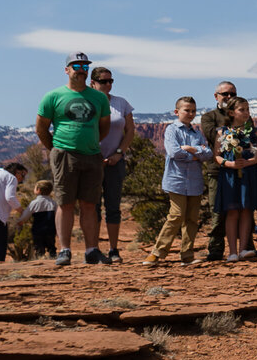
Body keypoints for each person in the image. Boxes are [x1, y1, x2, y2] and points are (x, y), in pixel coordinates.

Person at [34, 52, 111, 266]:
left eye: (85, 66)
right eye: (76, 65)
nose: (81, 69)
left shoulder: (98, 98)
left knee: (89, 204)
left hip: (92, 155)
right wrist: (56, 148)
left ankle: (91, 250)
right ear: (67, 70)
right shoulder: (53, 96)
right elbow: (41, 128)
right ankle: (65, 250)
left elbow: (103, 127)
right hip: (64, 154)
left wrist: (91, 142)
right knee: (65, 202)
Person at [145, 96, 212, 266]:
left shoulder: (197, 133)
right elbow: (174, 152)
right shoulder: (171, 130)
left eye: (193, 111)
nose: (190, 114)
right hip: (176, 180)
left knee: (191, 219)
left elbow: (208, 154)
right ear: (177, 112)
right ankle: (157, 253)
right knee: (176, 215)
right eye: (187, 110)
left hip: (195, 182)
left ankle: (187, 255)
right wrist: (197, 155)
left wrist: (191, 149)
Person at [89, 66, 135, 263]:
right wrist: (94, 154)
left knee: (113, 206)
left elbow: (130, 131)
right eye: (103, 81)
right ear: (93, 83)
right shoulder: (87, 103)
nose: (108, 84)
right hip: (91, 161)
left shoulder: (120, 103)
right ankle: (93, 249)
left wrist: (119, 152)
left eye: (110, 81)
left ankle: (114, 249)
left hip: (115, 162)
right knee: (92, 206)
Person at [214, 96, 257, 263]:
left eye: (247, 109)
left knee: (246, 209)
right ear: (231, 113)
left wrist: (247, 162)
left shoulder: (252, 132)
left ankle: (243, 249)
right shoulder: (222, 132)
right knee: (232, 211)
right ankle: (232, 252)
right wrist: (230, 164)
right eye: (242, 110)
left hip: (249, 174)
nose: (246, 113)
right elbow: (217, 156)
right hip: (230, 175)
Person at [201, 81, 242, 261]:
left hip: (240, 170)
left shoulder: (241, 115)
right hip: (217, 170)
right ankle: (215, 249)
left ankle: (246, 247)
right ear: (216, 96)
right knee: (217, 212)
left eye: (232, 94)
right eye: (225, 94)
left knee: (242, 210)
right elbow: (213, 135)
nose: (229, 97)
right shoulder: (208, 117)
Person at [23, 180, 58, 259]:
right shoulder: (53, 203)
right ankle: (53, 257)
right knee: (51, 246)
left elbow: (26, 215)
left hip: (37, 230)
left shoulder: (34, 203)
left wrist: (20, 221)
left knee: (39, 247)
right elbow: (58, 216)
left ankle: (40, 258)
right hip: (51, 229)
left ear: (38, 190)